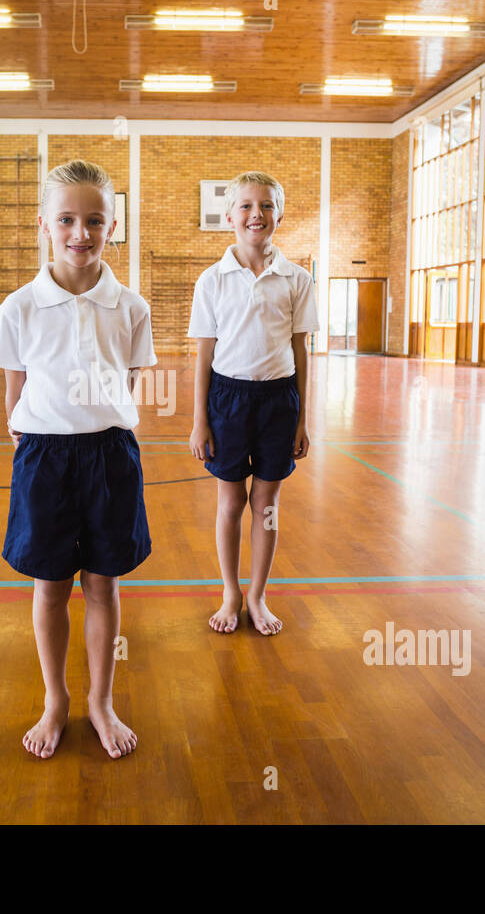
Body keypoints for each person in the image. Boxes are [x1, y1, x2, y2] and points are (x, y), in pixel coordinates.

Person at [0, 159, 156, 759]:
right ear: (43, 224)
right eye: (66, 219)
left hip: (110, 456)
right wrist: (39, 441)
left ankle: (100, 701)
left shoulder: (130, 306)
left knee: (104, 585)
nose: (80, 232)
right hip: (44, 459)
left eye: (95, 220)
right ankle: (55, 700)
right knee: (50, 586)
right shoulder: (19, 307)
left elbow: (127, 382)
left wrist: (95, 426)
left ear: (113, 225)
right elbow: (14, 392)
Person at [187, 171, 319, 636]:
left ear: (279, 215)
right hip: (227, 399)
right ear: (228, 217)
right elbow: (204, 353)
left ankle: (258, 595)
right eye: (245, 206)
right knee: (230, 500)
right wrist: (200, 420)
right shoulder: (212, 279)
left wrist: (303, 418)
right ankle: (230, 591)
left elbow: (301, 352)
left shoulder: (296, 278)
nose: (255, 214)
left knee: (266, 502)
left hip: (279, 401)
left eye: (265, 206)